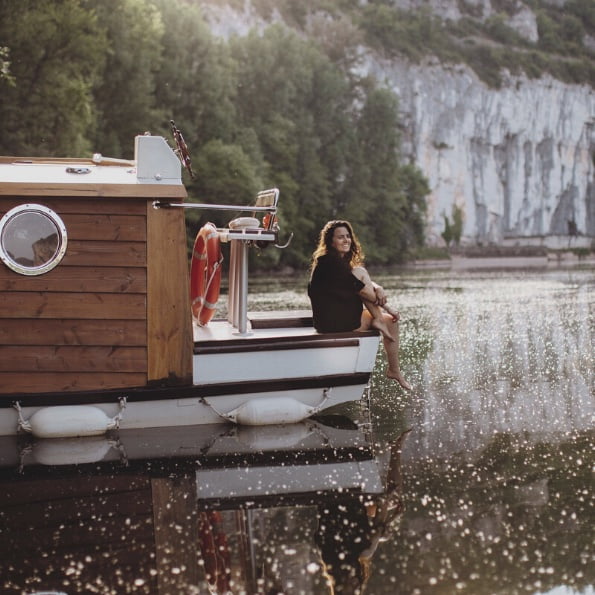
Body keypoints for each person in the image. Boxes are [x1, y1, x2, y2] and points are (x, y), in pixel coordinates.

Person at [308, 219, 411, 390]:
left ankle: (394, 368)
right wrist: (389, 307)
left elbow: (359, 281)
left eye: (348, 236)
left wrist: (378, 287)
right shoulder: (329, 262)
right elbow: (361, 289)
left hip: (332, 319)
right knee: (391, 320)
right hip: (333, 323)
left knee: (361, 274)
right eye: (340, 237)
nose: (346, 240)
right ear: (330, 241)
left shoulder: (335, 262)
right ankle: (394, 369)